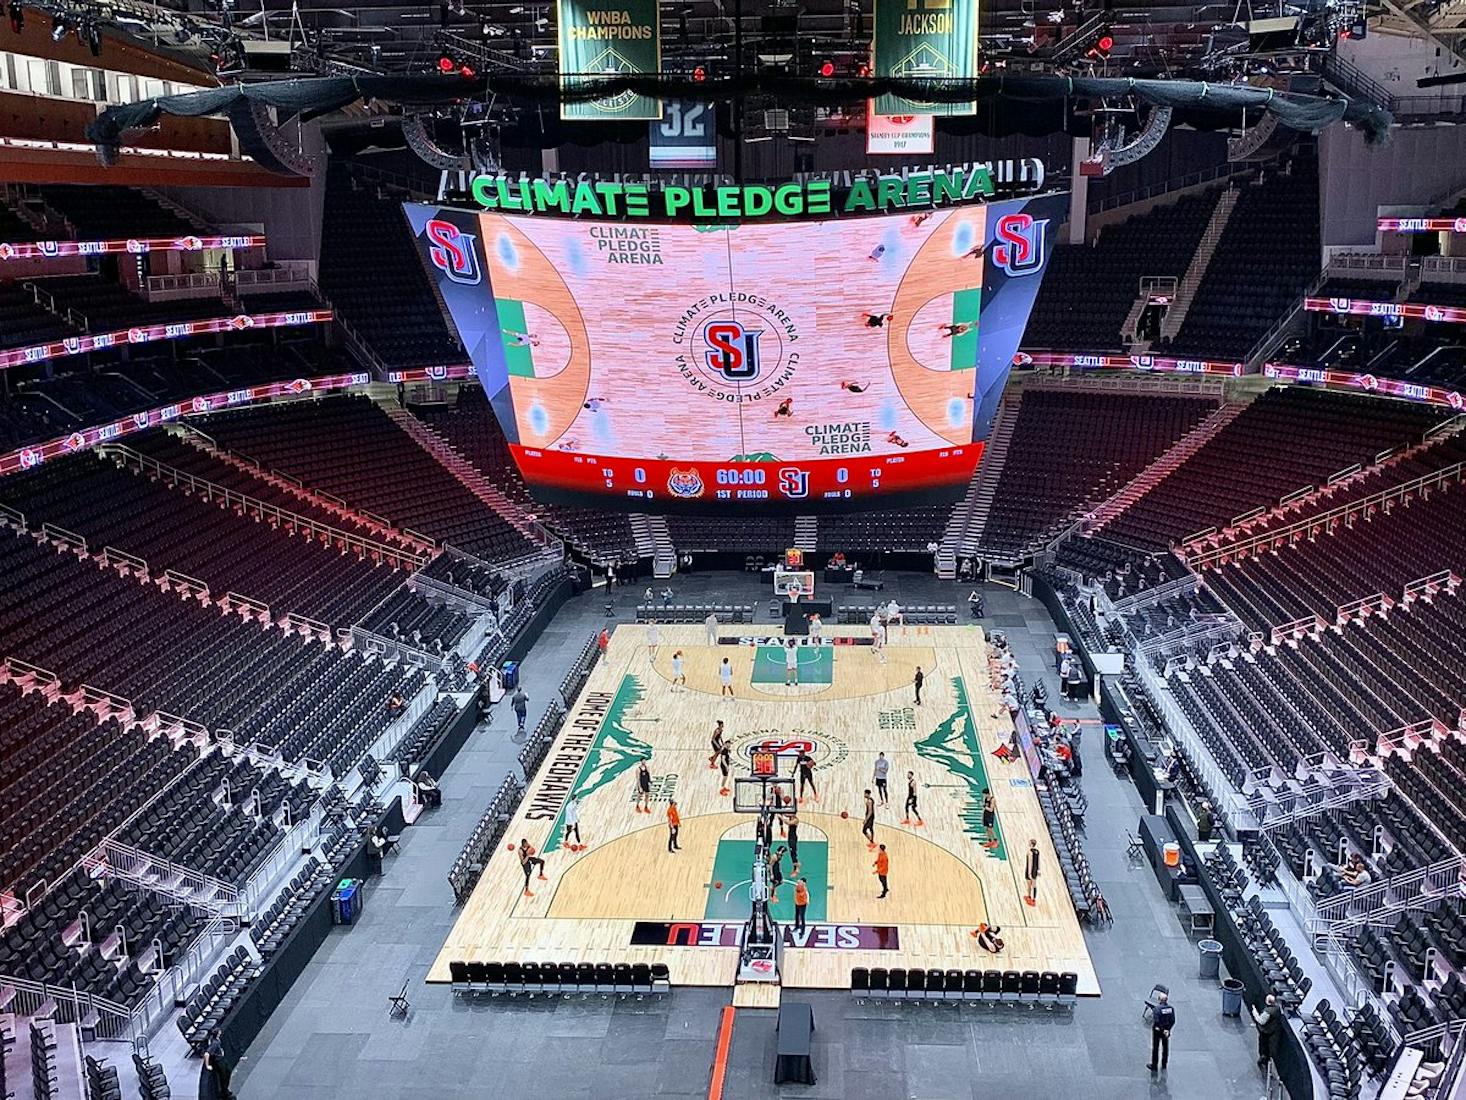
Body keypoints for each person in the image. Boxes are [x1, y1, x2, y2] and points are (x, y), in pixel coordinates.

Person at [200, 1031, 234, 1100]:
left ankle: (225, 1090)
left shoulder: (216, 1040)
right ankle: (224, 1093)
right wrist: (207, 1065)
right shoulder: (215, 1043)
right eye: (219, 1032)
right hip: (219, 1062)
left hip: (222, 1059)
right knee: (223, 1078)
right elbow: (207, 1054)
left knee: (228, 1072)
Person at [1253, 992, 1283, 1070]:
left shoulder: (1267, 1012)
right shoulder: (1277, 1008)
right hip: (1272, 1031)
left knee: (1263, 1046)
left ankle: (1263, 1058)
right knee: (1267, 1047)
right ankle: (1266, 1058)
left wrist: (1255, 1013)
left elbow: (1261, 1021)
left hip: (1265, 1032)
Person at [1148, 990, 1175, 1071]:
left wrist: (1162, 1030)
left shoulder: (1157, 1009)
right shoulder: (1171, 1008)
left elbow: (1157, 1021)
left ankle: (1154, 1065)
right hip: (1166, 1031)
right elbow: (1173, 1020)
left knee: (1156, 1047)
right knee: (1165, 1047)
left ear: (1159, 999)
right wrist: (1167, 1030)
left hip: (1158, 1031)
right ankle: (1164, 1064)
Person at [1024, 838, 1040, 907]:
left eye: (1029, 842)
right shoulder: (1037, 851)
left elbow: (1030, 863)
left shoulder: (1029, 852)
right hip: (1035, 870)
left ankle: (1029, 897)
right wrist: (1039, 869)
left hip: (1030, 870)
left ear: (1031, 844)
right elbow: (1038, 861)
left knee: (1029, 884)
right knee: (1034, 885)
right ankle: (1033, 899)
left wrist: (1029, 873)